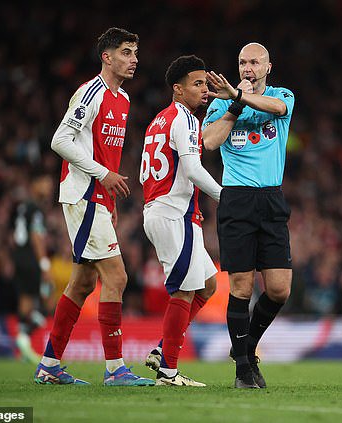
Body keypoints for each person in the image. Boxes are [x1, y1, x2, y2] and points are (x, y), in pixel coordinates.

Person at [33, 27, 154, 386]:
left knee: (83, 284)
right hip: (83, 194)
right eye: (126, 52)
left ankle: (49, 365)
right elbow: (60, 140)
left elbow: (103, 150)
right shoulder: (91, 92)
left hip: (97, 197)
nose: (134, 59)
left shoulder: (124, 99)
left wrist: (108, 196)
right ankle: (116, 369)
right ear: (107, 56)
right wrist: (102, 177)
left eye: (135, 52)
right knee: (117, 277)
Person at [202, 42, 295, 388]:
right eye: (242, 62)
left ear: (268, 67)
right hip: (237, 199)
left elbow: (278, 108)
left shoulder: (282, 94)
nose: (247, 68)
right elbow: (210, 142)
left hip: (271, 198)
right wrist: (233, 106)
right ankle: (243, 369)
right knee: (241, 286)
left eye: (254, 62)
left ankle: (247, 348)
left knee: (279, 289)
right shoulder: (221, 103)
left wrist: (241, 98)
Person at [140, 55, 222, 387]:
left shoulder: (159, 119)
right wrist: (225, 196)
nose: (205, 90)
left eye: (205, 83)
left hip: (163, 210)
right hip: (175, 214)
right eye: (197, 83)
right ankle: (169, 372)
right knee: (185, 292)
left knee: (207, 284)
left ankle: (163, 351)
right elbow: (190, 169)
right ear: (178, 89)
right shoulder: (185, 119)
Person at [10, 174, 52, 364]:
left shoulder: (22, 206)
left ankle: (23, 349)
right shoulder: (35, 209)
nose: (48, 188)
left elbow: (15, 235)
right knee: (49, 299)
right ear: (35, 184)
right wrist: (44, 264)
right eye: (45, 183)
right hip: (31, 260)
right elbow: (36, 236)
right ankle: (25, 336)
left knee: (25, 301)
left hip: (19, 257)